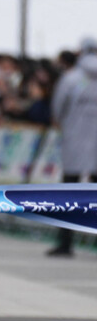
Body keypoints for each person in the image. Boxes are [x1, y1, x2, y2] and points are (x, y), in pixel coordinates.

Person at [46, 37, 97, 257]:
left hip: (75, 141)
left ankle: (66, 243)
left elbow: (58, 108)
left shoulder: (72, 78)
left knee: (70, 194)